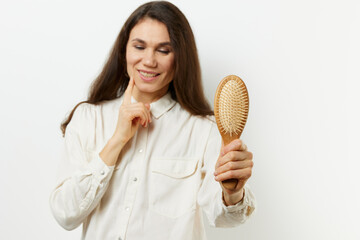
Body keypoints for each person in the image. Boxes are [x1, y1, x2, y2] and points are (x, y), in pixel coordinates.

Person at [49, 1, 255, 239]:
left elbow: (223, 217)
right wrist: (117, 139)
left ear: (180, 58)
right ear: (124, 51)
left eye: (163, 50)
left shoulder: (202, 130)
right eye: (139, 46)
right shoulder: (89, 118)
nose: (148, 60)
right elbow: (65, 214)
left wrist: (233, 192)